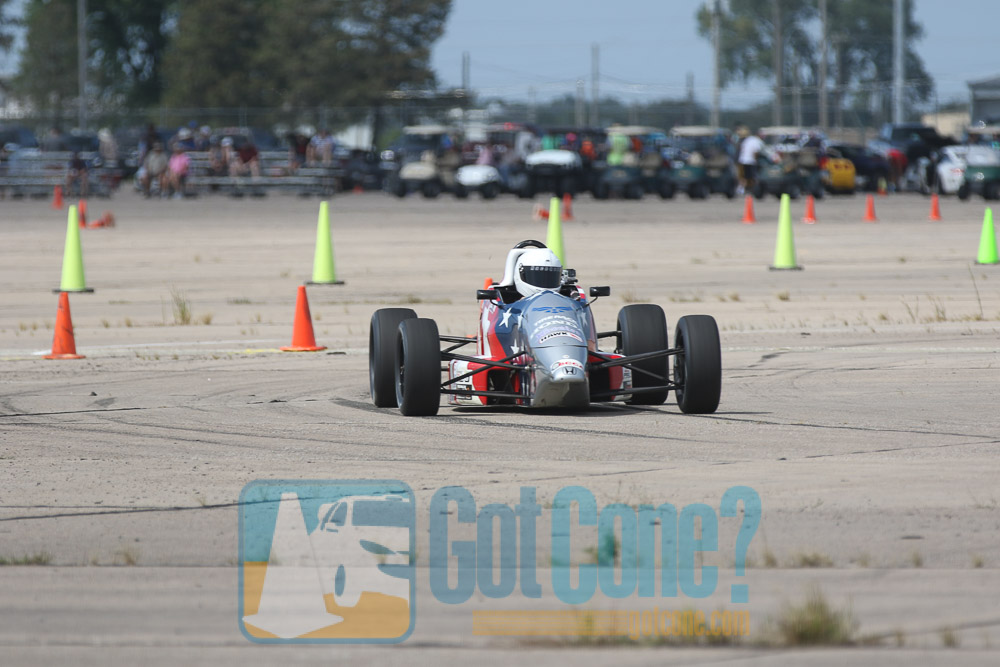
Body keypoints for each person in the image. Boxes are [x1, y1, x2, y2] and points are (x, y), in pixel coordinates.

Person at [738, 129, 766, 195]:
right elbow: (755, 152)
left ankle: (741, 189)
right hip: (750, 161)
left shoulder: (748, 139)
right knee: (752, 177)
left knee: (744, 176)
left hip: (742, 160)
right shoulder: (757, 141)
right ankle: (751, 189)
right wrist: (756, 160)